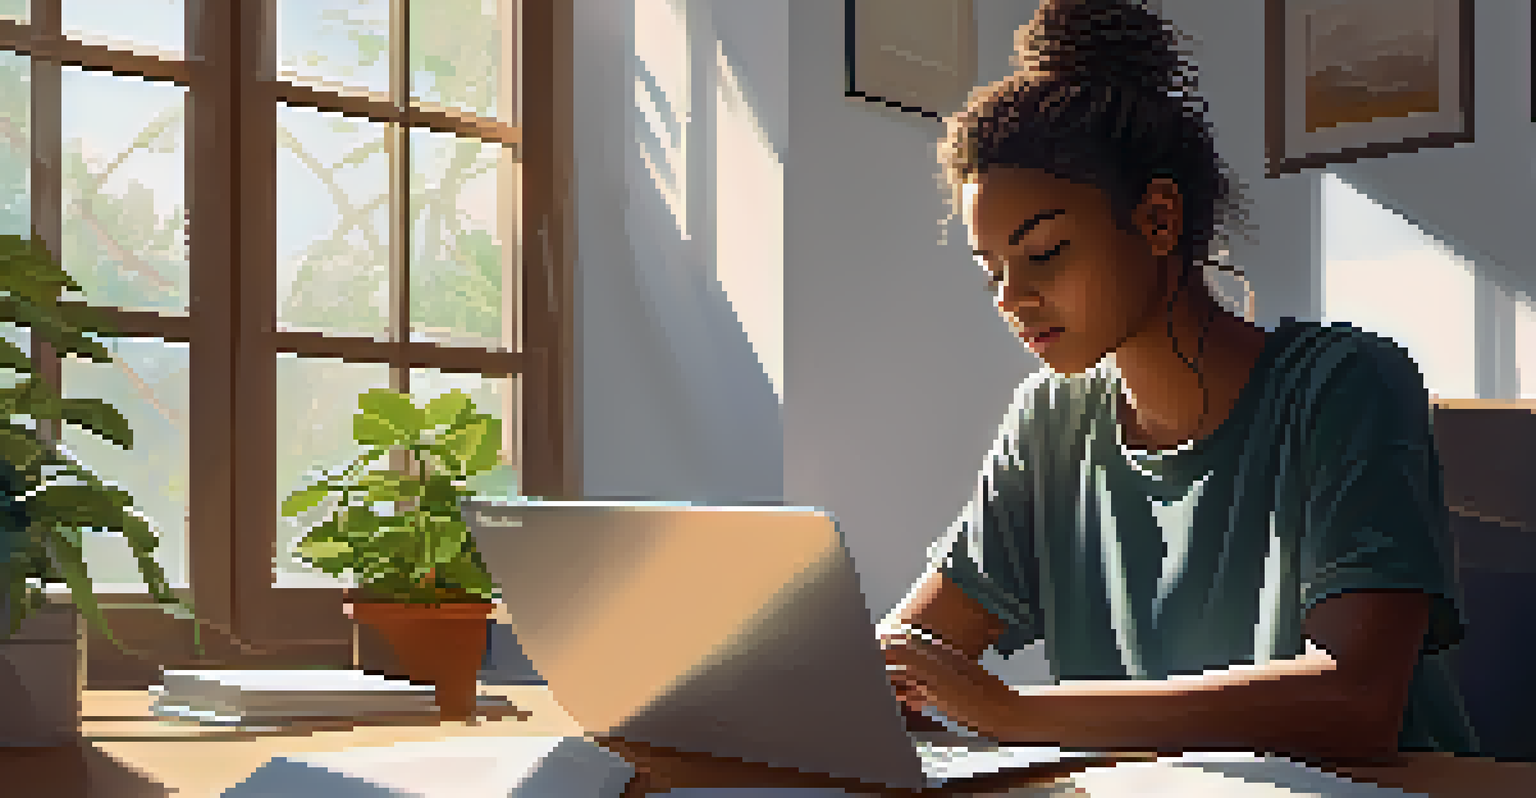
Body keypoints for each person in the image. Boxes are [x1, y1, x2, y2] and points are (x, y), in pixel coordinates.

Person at [878, 0, 1480, 766]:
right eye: (991, 269)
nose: (1010, 298)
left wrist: (1011, 713)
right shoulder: (1049, 424)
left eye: (1046, 252)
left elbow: (1356, 700)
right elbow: (905, 661)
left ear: (1159, 219)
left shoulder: (1347, 386)